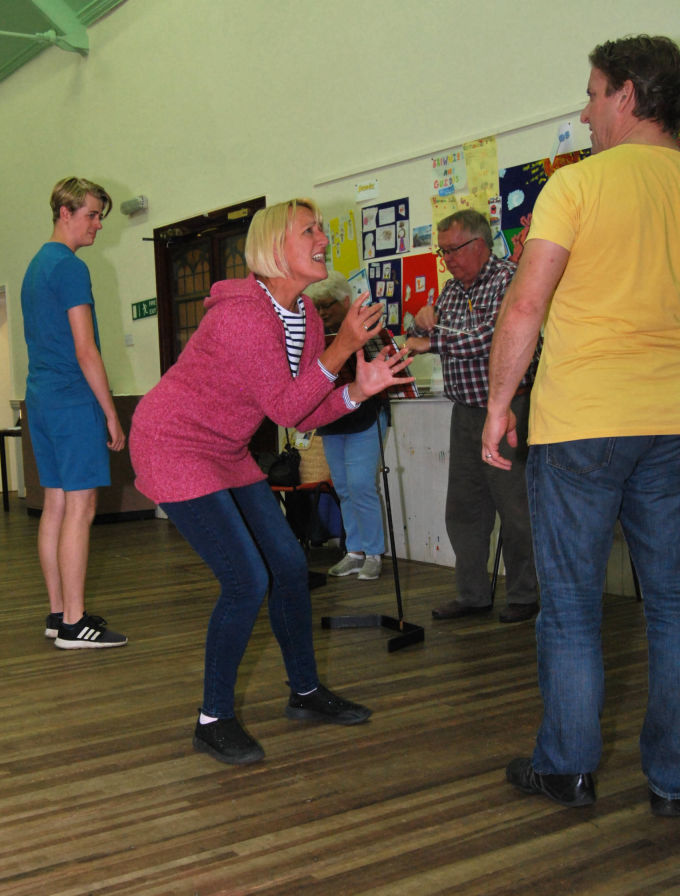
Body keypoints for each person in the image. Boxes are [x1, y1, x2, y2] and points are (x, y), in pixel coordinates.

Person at [129, 198, 413, 765]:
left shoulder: (304, 315)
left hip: (226, 449)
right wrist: (344, 348)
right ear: (273, 247)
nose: (321, 237)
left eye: (320, 228)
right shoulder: (241, 315)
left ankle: (305, 693)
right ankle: (214, 720)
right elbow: (286, 406)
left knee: (287, 565)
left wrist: (362, 388)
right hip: (174, 444)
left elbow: (303, 414)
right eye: (307, 230)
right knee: (245, 580)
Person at [481, 35, 680, 816]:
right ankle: (671, 779)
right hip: (671, 426)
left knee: (571, 607)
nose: (586, 109)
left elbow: (525, 305)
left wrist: (499, 406)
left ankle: (566, 766)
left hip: (581, 427)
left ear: (628, 95)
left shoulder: (578, 186)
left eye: (593, 92)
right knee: (671, 606)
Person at [405, 209, 540, 624]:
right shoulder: (449, 291)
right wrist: (422, 317)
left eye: (453, 250)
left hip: (508, 409)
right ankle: (472, 595)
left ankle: (526, 595)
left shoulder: (507, 279)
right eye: (442, 251)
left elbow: (489, 336)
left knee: (516, 509)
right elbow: (424, 329)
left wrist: (430, 341)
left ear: (480, 244)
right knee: (463, 509)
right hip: (464, 412)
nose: (447, 259)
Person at [21, 176, 127, 649]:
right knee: (80, 508)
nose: (97, 225)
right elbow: (86, 350)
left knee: (56, 504)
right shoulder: (68, 267)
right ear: (65, 212)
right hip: (71, 399)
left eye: (100, 216)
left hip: (42, 398)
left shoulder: (35, 266)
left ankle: (59, 612)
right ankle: (74, 624)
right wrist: (110, 412)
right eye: (91, 214)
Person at [309, 271, 392, 581]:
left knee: (360, 485)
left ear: (346, 301)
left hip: (366, 416)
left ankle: (373, 553)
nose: (322, 313)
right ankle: (354, 551)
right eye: (317, 308)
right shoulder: (317, 337)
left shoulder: (367, 329)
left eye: (327, 305)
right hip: (332, 419)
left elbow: (380, 371)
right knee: (343, 488)